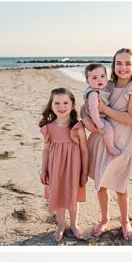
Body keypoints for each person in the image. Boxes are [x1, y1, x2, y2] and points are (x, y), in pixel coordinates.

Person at [85, 48, 132, 240]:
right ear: (113, 65)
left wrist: (105, 109)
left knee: (121, 187)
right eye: (119, 63)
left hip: (122, 144)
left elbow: (131, 118)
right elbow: (85, 105)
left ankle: (125, 221)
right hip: (101, 140)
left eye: (128, 63)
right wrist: (86, 118)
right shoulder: (105, 84)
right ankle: (104, 219)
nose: (123, 67)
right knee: (101, 185)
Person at [38, 87, 87, 242]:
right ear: (51, 106)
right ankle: (60, 225)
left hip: (74, 168)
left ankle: (74, 224)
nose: (61, 106)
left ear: (72, 105)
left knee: (73, 196)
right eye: (57, 103)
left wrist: (84, 172)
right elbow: (46, 150)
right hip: (55, 168)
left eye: (65, 102)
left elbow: (84, 151)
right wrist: (43, 170)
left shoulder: (77, 127)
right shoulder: (48, 128)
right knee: (58, 194)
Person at [81, 63, 122, 157]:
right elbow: (93, 109)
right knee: (108, 129)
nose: (99, 79)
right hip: (96, 118)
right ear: (87, 81)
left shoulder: (103, 88)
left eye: (103, 76)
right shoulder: (93, 93)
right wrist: (98, 122)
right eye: (94, 78)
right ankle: (110, 147)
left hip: (99, 116)